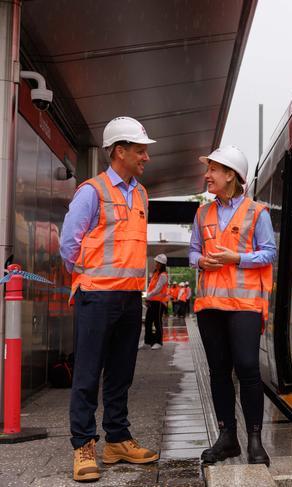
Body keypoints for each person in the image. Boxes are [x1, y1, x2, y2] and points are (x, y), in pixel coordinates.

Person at [60, 116, 159, 482]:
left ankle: (117, 440)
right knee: (87, 373)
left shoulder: (141, 193)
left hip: (131, 297)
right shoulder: (92, 191)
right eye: (140, 150)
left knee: (121, 373)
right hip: (97, 296)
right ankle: (83, 445)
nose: (146, 157)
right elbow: (68, 244)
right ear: (120, 151)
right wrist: (86, 277)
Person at [189, 145, 276, 466]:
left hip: (245, 305)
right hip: (210, 304)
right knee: (218, 372)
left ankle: (255, 439)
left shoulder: (257, 213)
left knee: (248, 369)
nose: (207, 175)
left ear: (231, 176)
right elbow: (193, 253)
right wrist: (201, 262)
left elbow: (269, 252)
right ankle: (228, 439)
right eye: (208, 169)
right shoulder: (202, 213)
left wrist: (235, 258)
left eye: (213, 170)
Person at [144, 254, 168, 349]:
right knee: (148, 322)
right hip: (152, 301)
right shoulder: (155, 273)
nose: (156, 264)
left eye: (158, 262)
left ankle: (159, 342)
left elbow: (158, 289)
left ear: (162, 264)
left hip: (159, 303)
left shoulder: (163, 275)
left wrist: (148, 296)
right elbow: (151, 287)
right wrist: (148, 298)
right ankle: (148, 341)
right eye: (156, 262)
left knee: (157, 322)